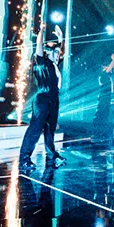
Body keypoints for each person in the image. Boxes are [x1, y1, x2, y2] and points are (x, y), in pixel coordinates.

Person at [19, 25, 65, 171]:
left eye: (58, 53)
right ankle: (24, 159)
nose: (58, 55)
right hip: (42, 100)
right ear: (48, 52)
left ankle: (52, 156)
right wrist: (41, 32)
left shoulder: (54, 65)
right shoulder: (42, 62)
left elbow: (61, 51)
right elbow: (39, 47)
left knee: (50, 129)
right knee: (35, 128)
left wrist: (61, 39)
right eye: (55, 52)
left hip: (53, 100)